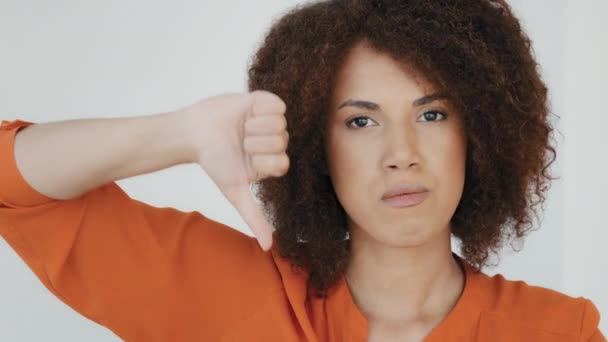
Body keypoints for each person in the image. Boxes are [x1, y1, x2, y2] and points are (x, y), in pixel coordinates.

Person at [0, 0, 604, 341]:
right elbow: (13, 183)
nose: (401, 152)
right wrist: (178, 133)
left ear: (481, 133)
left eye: (433, 113)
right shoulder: (231, 299)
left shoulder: (558, 331)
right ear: (316, 144)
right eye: (360, 121)